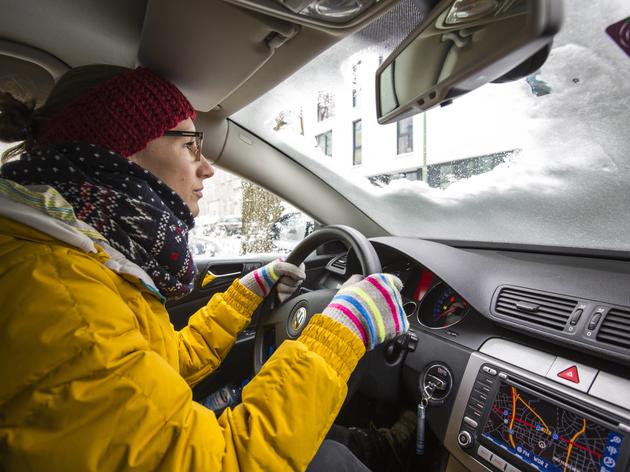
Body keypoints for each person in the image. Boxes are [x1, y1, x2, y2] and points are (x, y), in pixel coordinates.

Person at [0, 65, 409, 471]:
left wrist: (243, 298)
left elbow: (159, 366)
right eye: (189, 147)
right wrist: (340, 333)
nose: (207, 167)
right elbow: (221, 463)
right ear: (121, 149)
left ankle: (383, 450)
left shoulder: (75, 261)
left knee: (328, 451)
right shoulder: (64, 299)